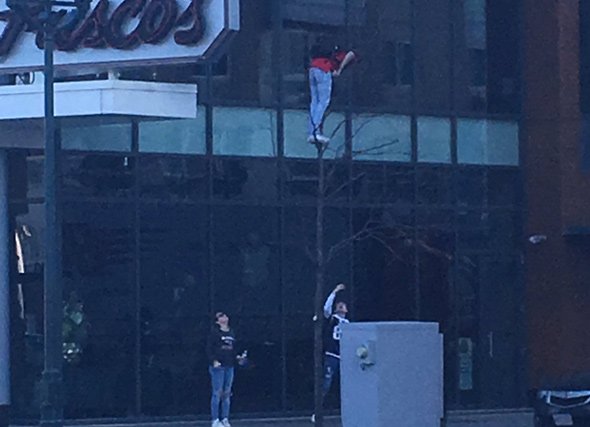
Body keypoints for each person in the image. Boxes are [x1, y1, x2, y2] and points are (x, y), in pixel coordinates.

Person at [311, 283, 350, 423]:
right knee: (326, 383)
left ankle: (350, 410)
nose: (341, 306)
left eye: (343, 305)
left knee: (347, 385)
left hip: (344, 357)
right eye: (338, 305)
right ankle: (318, 412)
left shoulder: (348, 324)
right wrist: (334, 291)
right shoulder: (333, 319)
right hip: (332, 356)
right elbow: (326, 308)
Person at [308, 43, 356, 145]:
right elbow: (351, 54)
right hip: (324, 68)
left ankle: (312, 130)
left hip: (313, 67)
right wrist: (339, 70)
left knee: (314, 102)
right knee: (323, 101)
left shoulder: (329, 47)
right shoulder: (347, 51)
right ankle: (315, 132)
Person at [207, 312, 247, 427]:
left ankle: (225, 418)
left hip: (229, 366)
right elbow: (209, 349)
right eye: (220, 317)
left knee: (227, 393)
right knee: (217, 392)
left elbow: (234, 349)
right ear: (217, 321)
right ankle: (215, 420)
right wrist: (213, 360)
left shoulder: (232, 332)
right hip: (218, 367)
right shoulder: (214, 333)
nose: (224, 318)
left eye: (225, 316)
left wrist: (238, 357)